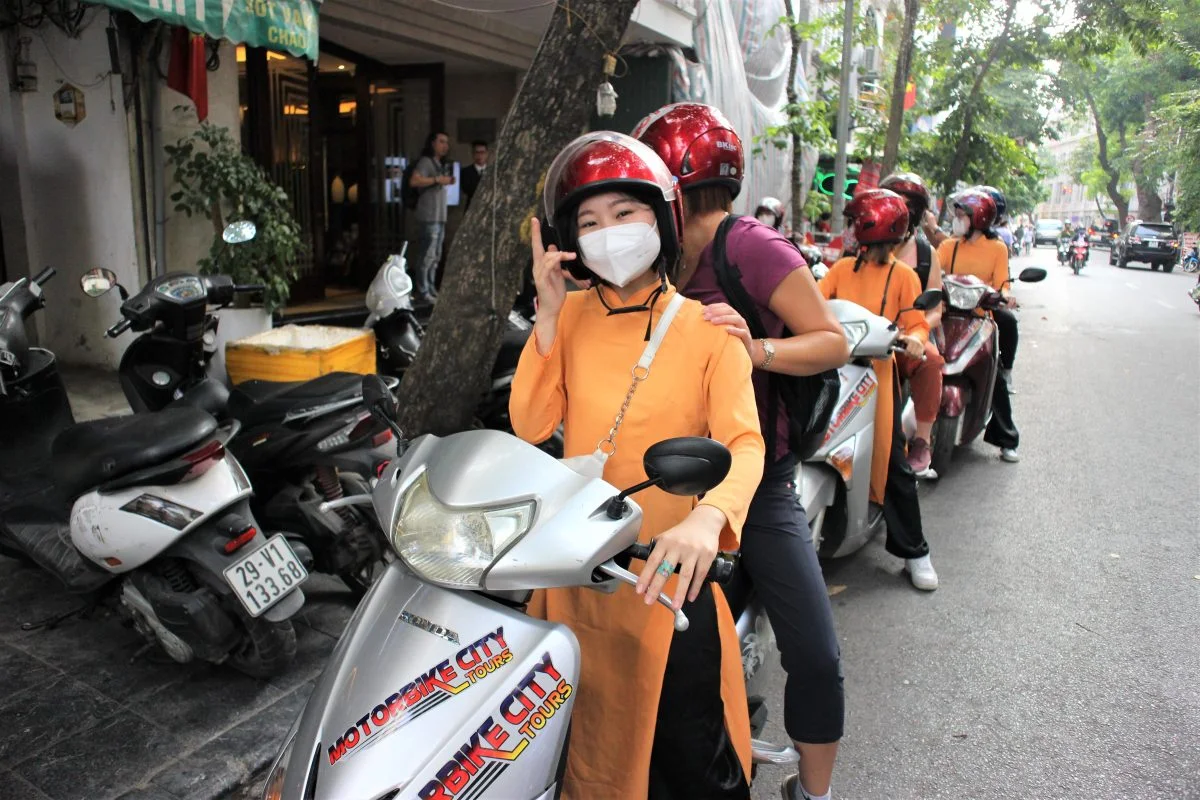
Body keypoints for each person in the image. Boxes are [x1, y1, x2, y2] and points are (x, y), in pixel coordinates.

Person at [510, 131, 766, 799]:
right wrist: (545, 313)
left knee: (687, 762)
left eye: (624, 213)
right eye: (589, 222)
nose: (609, 233)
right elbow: (531, 425)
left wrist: (707, 521)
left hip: (665, 579)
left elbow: (746, 445)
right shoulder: (568, 319)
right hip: (575, 573)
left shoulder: (711, 329)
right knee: (583, 748)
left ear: (663, 217)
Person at [635, 102, 851, 800]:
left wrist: (754, 348)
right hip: (660, 482)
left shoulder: (750, 248)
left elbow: (832, 341)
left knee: (815, 654)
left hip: (755, 483)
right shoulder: (647, 252)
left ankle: (815, 794)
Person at [818, 188, 939, 592]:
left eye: (857, 224)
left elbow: (916, 321)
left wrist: (917, 338)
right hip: (832, 368)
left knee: (893, 463)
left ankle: (915, 551)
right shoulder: (839, 270)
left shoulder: (904, 276)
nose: (852, 232)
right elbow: (815, 306)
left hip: (878, 375)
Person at [935, 189, 1022, 463]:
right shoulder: (949, 245)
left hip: (981, 317)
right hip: (949, 315)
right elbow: (934, 275)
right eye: (957, 214)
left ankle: (1007, 438)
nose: (957, 219)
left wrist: (1004, 297)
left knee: (993, 377)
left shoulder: (997, 248)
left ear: (979, 218)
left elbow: (1003, 285)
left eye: (962, 215)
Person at [880, 172, 945, 478]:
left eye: (904, 205)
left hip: (904, 339)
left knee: (931, 360)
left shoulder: (925, 253)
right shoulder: (861, 247)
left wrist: (916, 333)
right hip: (861, 337)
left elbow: (934, 309)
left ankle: (922, 439)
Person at [409, 131, 454, 304]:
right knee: (426, 254)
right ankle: (423, 290)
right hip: (428, 216)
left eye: (446, 142)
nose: (445, 146)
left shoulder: (439, 163)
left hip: (439, 216)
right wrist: (437, 179)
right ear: (433, 143)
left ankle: (431, 287)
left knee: (435, 255)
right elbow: (414, 181)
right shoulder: (426, 162)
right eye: (441, 141)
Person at [460, 139, 488, 210]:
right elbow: (467, 189)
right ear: (472, 154)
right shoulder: (465, 171)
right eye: (477, 152)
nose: (479, 155)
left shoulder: (492, 171)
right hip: (472, 208)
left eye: (482, 152)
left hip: (488, 208)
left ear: (487, 154)